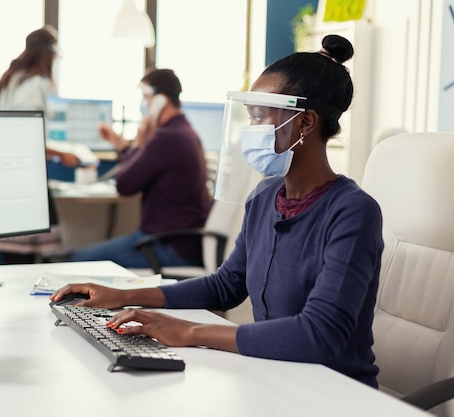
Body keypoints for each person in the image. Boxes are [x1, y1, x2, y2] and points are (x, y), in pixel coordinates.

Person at [50, 35, 385, 388]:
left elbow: (320, 335)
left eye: (259, 116)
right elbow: (226, 285)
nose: (251, 129)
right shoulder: (266, 196)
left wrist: (190, 332)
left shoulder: (353, 212)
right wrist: (123, 296)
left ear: (305, 122)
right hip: (275, 377)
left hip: (336, 392)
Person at [67, 68, 211, 269]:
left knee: (76, 261)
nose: (144, 103)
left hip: (166, 247)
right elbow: (143, 163)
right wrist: (121, 143)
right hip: (177, 243)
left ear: (161, 100)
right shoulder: (182, 131)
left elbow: (124, 184)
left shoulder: (167, 137)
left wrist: (140, 139)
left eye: (147, 97)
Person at [0, 25, 79, 167]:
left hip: (8, 162)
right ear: (50, 53)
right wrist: (61, 154)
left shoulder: (13, 78)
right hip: (20, 165)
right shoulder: (32, 83)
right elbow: (24, 137)